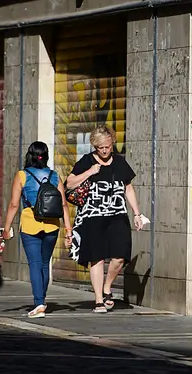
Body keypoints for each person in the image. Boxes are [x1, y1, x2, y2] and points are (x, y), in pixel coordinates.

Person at [65, 125, 144, 313]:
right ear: (95, 146)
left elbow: (128, 188)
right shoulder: (87, 161)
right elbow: (69, 183)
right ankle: (99, 300)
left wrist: (137, 213)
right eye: (101, 147)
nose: (105, 150)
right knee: (97, 258)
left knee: (120, 256)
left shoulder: (119, 162)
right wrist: (90, 172)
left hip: (117, 215)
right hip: (93, 216)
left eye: (108, 146)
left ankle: (107, 287)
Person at [2, 141, 73, 318]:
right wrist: (69, 230)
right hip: (52, 224)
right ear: (46, 156)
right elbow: (63, 205)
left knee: (34, 263)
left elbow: (13, 204)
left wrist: (6, 227)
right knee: (44, 263)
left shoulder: (22, 175)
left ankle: (39, 303)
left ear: (30, 155)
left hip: (30, 223)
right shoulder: (54, 175)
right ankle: (41, 299)